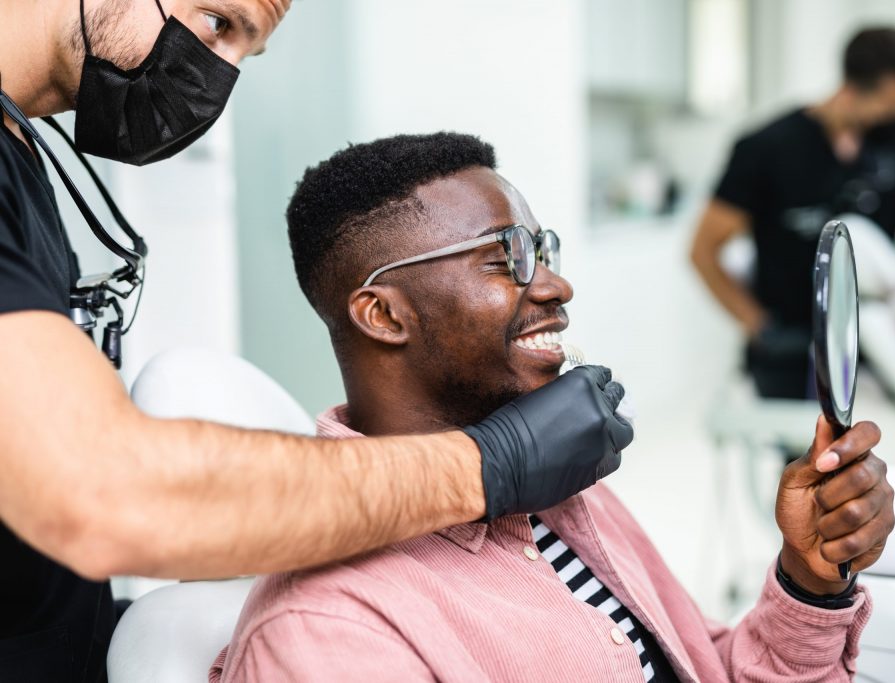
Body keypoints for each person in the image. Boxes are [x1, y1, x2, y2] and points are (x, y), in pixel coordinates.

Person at [0, 2, 631, 680]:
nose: (219, 74)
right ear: (380, 313)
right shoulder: (322, 630)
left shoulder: (22, 150)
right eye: (220, 22)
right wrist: (489, 466)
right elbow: (98, 491)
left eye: (247, 50)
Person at [211, 132, 895, 682]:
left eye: (542, 250)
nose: (557, 285)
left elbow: (697, 664)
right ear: (385, 314)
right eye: (506, 256)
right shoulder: (327, 633)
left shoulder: (550, 487)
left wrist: (807, 583)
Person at [690, 27, 895, 399]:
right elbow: (702, 251)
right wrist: (759, 326)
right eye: (891, 106)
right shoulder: (766, 149)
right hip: (790, 346)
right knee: (805, 454)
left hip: (869, 343)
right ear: (852, 89)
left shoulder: (892, 143)